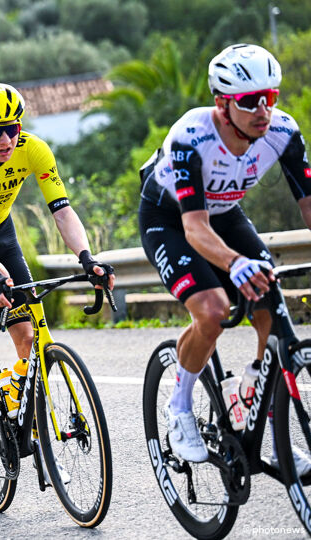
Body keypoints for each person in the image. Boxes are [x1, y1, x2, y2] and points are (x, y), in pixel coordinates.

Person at [138, 44, 311, 471]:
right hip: (171, 219)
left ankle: (261, 400)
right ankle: (178, 408)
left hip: (224, 213)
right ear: (221, 104)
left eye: (269, 98)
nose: (263, 111)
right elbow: (194, 227)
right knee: (214, 312)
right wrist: (234, 263)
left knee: (271, 304)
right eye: (250, 101)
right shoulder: (190, 136)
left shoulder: (283, 133)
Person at [0, 82, 114, 421]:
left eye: (12, 129)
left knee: (29, 337)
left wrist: (87, 257)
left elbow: (62, 211)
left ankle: (17, 401)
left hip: (1, 232)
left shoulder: (34, 149)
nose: (6, 140)